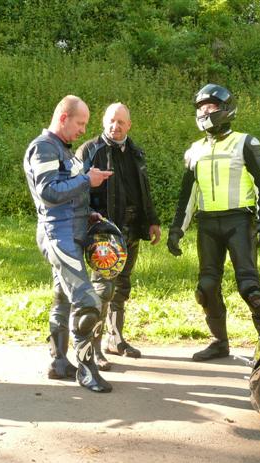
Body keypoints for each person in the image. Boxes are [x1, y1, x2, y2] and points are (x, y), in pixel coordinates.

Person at [167, 84, 260, 362]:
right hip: (207, 225)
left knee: (250, 289)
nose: (205, 112)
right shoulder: (194, 150)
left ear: (226, 110)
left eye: (210, 106)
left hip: (239, 221)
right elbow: (188, 194)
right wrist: (177, 229)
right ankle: (219, 342)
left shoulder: (245, 143)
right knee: (206, 288)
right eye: (201, 107)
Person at [23, 95, 114, 393]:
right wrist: (87, 180)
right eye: (80, 123)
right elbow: (48, 192)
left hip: (69, 231)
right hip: (58, 235)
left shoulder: (60, 148)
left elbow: (65, 194)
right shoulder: (44, 147)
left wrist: (88, 213)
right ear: (64, 118)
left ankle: (59, 362)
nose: (83, 130)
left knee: (62, 297)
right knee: (88, 302)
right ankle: (86, 371)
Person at [76, 103, 161, 369]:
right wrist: (90, 218)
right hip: (103, 231)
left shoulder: (136, 152)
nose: (116, 126)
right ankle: (94, 347)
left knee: (122, 286)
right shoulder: (90, 150)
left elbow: (143, 190)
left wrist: (153, 221)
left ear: (129, 125)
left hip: (131, 228)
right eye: (112, 121)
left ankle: (116, 339)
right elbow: (76, 189)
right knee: (103, 289)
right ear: (103, 122)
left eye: (121, 122)